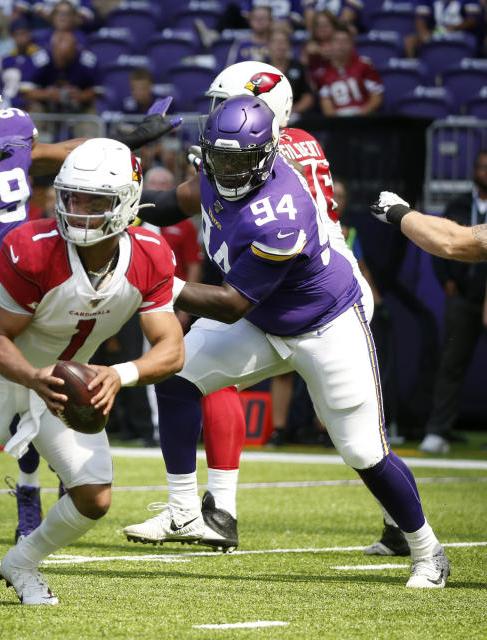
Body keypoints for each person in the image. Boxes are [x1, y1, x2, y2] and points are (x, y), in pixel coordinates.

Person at [127, 94, 451, 589]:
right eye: (220, 157)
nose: (228, 168)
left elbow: (234, 303)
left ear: (266, 155)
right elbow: (174, 203)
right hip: (265, 317)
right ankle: (184, 510)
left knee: (364, 452)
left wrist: (156, 283)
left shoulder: (281, 210)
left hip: (323, 322)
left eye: (240, 159)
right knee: (173, 373)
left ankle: (427, 550)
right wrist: (122, 207)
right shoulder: (219, 169)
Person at [0, 52, 179, 539]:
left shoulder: (13, 129)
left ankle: (28, 487)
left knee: (49, 386)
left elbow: (58, 154)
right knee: (7, 391)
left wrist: (126, 140)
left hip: (36, 285)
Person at [0, 138, 185, 605]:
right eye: (72, 196)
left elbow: (172, 348)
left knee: (94, 497)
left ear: (126, 203)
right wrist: (33, 377)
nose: (78, 210)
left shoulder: (151, 253)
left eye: (95, 200)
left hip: (59, 380)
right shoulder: (33, 247)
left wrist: (119, 374)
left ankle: (22, 561)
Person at [372, 164, 487, 456]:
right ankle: (438, 431)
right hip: (465, 298)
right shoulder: (461, 204)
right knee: (451, 364)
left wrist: (398, 212)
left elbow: (452, 242)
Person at [315, 27, 383, 117]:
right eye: (337, 42)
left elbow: (376, 97)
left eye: (345, 41)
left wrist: (360, 115)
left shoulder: (364, 65)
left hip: (364, 118)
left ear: (352, 45)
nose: (341, 46)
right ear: (330, 45)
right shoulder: (323, 74)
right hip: (338, 122)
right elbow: (326, 105)